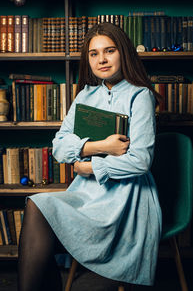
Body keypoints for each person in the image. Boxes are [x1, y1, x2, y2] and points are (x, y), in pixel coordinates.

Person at [18, 22, 162, 291]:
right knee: (36, 204)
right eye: (94, 54)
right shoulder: (85, 94)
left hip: (126, 198)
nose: (102, 59)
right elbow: (60, 148)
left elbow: (140, 161)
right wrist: (101, 146)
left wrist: (88, 167)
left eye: (109, 50)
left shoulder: (140, 95)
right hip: (85, 194)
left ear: (124, 53)